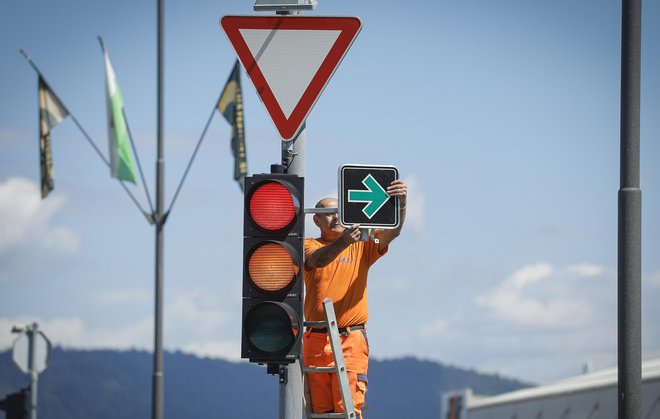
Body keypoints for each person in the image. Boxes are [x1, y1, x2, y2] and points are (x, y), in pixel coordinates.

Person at [303, 178, 408, 418]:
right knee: (320, 411)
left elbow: (393, 232)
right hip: (316, 338)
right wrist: (343, 241)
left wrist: (401, 205)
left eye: (339, 212)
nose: (336, 217)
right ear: (316, 220)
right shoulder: (308, 244)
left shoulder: (362, 245)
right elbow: (317, 260)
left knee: (348, 408)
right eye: (328, 213)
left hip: (350, 338)